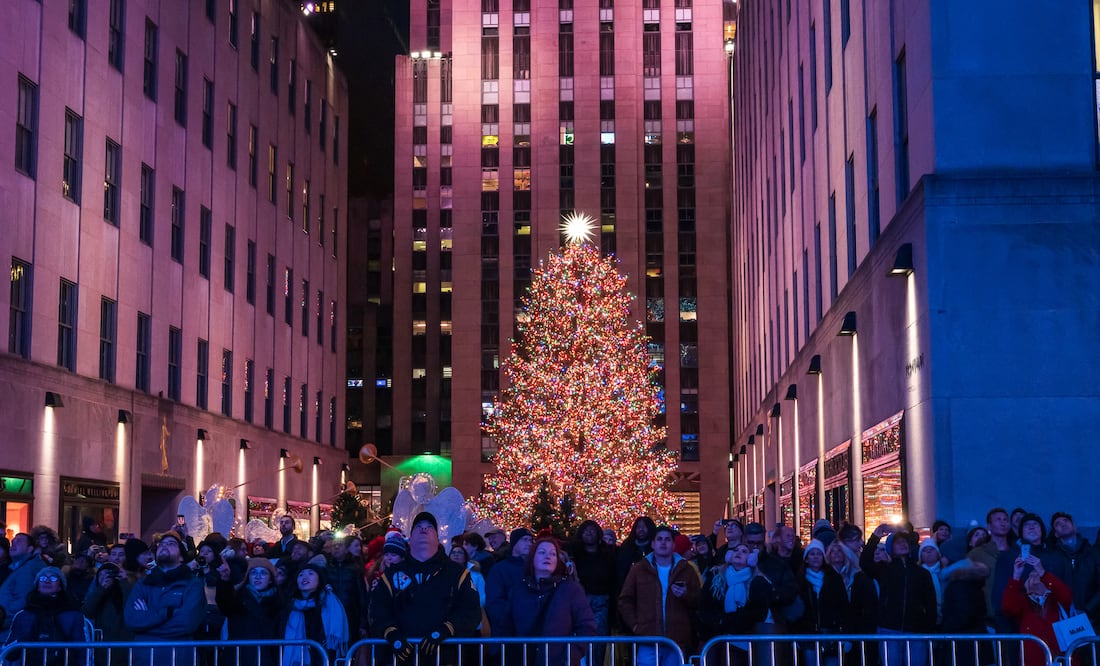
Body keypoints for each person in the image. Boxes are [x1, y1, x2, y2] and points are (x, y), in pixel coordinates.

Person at [369, 512, 480, 664]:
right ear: (411, 538)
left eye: (429, 527)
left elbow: (470, 611)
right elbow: (378, 609)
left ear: (438, 538)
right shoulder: (392, 574)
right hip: (402, 658)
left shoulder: (456, 573)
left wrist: (447, 630)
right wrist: (391, 633)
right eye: (419, 527)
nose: (424, 530)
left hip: (445, 657)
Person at [498, 535, 596, 666]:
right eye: (542, 552)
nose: (548, 557)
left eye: (553, 554)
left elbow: (587, 626)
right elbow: (506, 625)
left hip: (559, 661)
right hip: (524, 659)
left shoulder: (571, 589)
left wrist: (570, 655)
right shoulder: (518, 590)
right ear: (533, 558)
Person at [618, 526, 701, 666]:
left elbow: (699, 599)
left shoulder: (686, 569)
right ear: (653, 544)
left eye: (667, 539)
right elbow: (625, 599)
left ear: (673, 545)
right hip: (647, 638)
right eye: (660, 539)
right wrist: (635, 626)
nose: (663, 543)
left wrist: (686, 594)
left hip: (676, 640)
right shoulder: (638, 569)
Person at [122, 530, 206, 666]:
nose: (164, 546)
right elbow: (131, 619)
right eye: (161, 544)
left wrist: (146, 623)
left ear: (181, 557)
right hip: (144, 658)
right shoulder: (143, 583)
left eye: (171, 543)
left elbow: (187, 623)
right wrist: (166, 613)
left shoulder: (192, 584)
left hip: (179, 658)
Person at [860, 525, 937, 666]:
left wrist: (928, 627)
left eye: (905, 542)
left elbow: (930, 602)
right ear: (891, 548)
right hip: (889, 629)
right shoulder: (884, 570)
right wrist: (875, 537)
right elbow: (865, 562)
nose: (902, 544)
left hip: (916, 630)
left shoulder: (922, 573)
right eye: (897, 542)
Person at [697, 543, 771, 664]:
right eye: (736, 550)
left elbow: (757, 612)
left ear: (752, 558)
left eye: (744, 551)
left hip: (745, 640)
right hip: (715, 638)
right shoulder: (716, 577)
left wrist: (728, 621)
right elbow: (705, 604)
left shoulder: (759, 582)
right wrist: (718, 621)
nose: (739, 552)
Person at [3, 566, 87, 666]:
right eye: (42, 578)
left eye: (53, 578)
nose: (47, 581)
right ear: (37, 585)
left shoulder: (73, 616)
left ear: (60, 586)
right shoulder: (23, 616)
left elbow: (83, 651)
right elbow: (10, 653)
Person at [1002, 554, 1073, 666]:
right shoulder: (1023, 601)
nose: (1034, 578)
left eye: (1038, 576)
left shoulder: (1056, 598)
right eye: (1031, 576)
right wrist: (1016, 576)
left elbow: (1067, 594)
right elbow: (1008, 607)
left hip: (1061, 658)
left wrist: (1042, 572)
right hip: (1033, 659)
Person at [567, 519, 617, 665]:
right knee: (579, 640)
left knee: (598, 642)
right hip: (580, 601)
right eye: (585, 530)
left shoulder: (608, 554)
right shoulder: (575, 553)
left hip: (602, 601)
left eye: (592, 530)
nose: (589, 533)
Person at [214, 557, 281, 666]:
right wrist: (225, 579)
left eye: (263, 573)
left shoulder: (278, 602)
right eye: (253, 573)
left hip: (267, 657)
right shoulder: (238, 598)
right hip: (237, 657)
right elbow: (224, 602)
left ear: (270, 579)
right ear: (248, 577)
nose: (258, 576)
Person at [279, 563, 349, 666]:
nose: (305, 577)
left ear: (319, 579)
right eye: (301, 575)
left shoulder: (328, 603)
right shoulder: (289, 606)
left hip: (324, 658)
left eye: (310, 574)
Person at [795, 540, 849, 666]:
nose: (815, 557)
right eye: (812, 554)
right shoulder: (800, 581)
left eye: (819, 554)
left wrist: (845, 632)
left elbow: (844, 606)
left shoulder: (834, 578)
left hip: (831, 632)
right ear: (806, 559)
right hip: (808, 633)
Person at [1047, 512, 1100, 626]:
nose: (1063, 524)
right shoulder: (1052, 558)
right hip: (1063, 619)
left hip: (1094, 619)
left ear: (1074, 527)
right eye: (1058, 524)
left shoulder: (1093, 554)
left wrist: (1088, 610)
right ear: (1055, 534)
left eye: (1066, 521)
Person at [484, 527, 534, 640]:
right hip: (507, 636)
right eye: (524, 540)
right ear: (515, 543)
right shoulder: (499, 569)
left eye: (530, 540)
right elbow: (494, 603)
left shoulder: (534, 569)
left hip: (531, 635)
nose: (529, 543)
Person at [0, 533, 46, 632]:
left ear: (30, 549)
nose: (14, 543)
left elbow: (22, 601)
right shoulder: (20, 567)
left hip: (8, 631)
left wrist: (3, 618)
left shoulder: (28, 569)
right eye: (13, 542)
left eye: (19, 541)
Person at [325, 536, 368, 639]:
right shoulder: (326, 568)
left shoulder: (355, 569)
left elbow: (362, 596)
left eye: (339, 545)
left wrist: (363, 623)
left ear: (346, 549)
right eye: (334, 546)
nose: (336, 548)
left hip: (351, 616)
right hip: (331, 615)